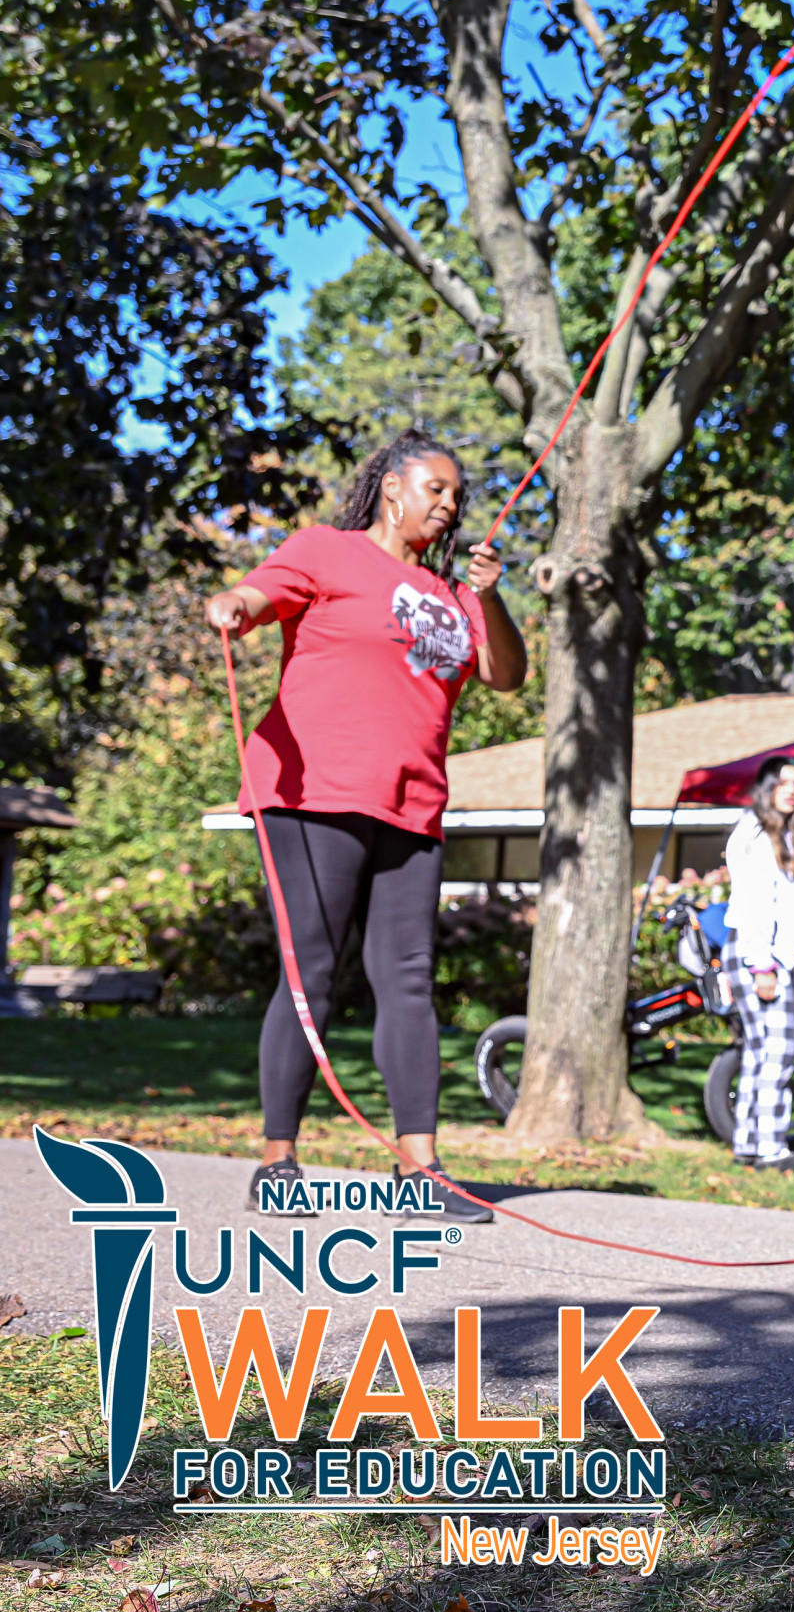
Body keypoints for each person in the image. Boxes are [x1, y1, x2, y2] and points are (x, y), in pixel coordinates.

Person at [204, 430, 527, 1225]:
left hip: (412, 805)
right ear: (391, 487)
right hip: (314, 792)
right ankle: (277, 1162)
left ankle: (423, 1169)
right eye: (437, 488)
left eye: (457, 494)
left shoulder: (456, 596)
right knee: (311, 972)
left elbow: (507, 675)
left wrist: (489, 595)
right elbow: (260, 595)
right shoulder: (329, 551)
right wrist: (235, 605)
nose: (450, 504)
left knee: (409, 980)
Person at [723, 756, 794, 1174]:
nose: (792, 790)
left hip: (778, 958)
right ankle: (771, 1150)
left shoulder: (786, 837)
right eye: (783, 783)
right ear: (765, 788)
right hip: (757, 953)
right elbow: (754, 903)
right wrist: (762, 965)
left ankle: (748, 1145)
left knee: (760, 1051)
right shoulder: (756, 836)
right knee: (776, 1052)